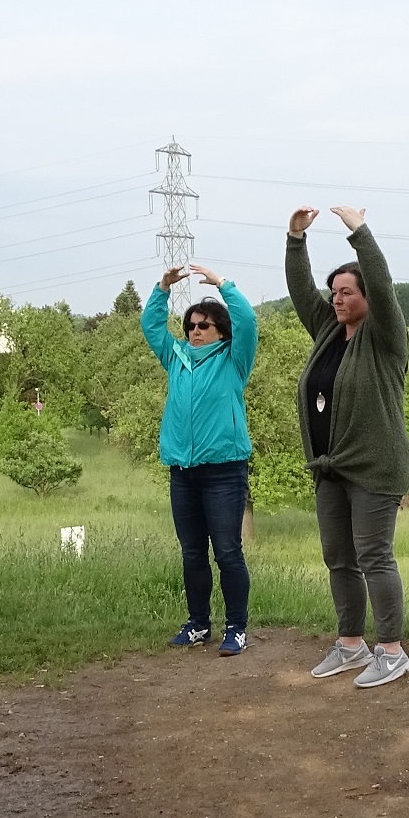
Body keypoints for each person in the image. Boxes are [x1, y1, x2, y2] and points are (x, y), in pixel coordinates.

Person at [286, 205, 409, 688]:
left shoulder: (385, 335)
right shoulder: (327, 331)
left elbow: (382, 283)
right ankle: (351, 644)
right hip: (329, 467)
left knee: (374, 557)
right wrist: (295, 239)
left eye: (347, 292)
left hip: (375, 466)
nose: (337, 300)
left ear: (366, 297)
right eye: (334, 292)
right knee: (338, 559)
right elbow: (301, 291)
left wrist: (359, 233)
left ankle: (392, 651)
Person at [143, 268, 260, 654]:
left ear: (220, 331)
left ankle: (236, 628)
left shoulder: (233, 358)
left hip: (224, 471)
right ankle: (198, 624)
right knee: (192, 553)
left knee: (227, 552)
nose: (195, 331)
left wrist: (224, 286)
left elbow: (247, 321)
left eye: (204, 325)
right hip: (183, 471)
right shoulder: (175, 357)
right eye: (191, 325)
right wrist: (162, 289)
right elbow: (151, 326)